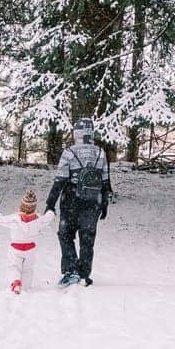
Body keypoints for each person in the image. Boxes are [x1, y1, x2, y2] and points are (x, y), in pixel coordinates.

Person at [45, 118, 111, 287]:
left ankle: (70, 270)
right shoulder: (101, 152)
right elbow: (105, 182)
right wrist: (104, 205)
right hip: (93, 202)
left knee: (65, 234)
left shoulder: (69, 152)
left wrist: (50, 204)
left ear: (77, 133)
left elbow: (59, 180)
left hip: (70, 201)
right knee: (87, 238)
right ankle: (84, 274)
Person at [0, 190, 48, 294]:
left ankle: (15, 281)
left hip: (15, 248)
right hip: (30, 249)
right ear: (34, 207)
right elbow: (48, 218)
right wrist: (50, 212)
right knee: (28, 269)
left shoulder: (14, 219)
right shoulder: (39, 219)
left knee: (13, 266)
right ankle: (25, 288)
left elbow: (1, 220)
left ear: (21, 205)